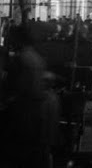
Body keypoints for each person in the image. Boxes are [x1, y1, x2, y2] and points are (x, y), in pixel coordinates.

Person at [1, 23, 60, 167]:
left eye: (11, 38)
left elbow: (12, 87)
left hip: (25, 111)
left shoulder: (21, 59)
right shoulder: (34, 56)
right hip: (36, 110)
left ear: (18, 39)